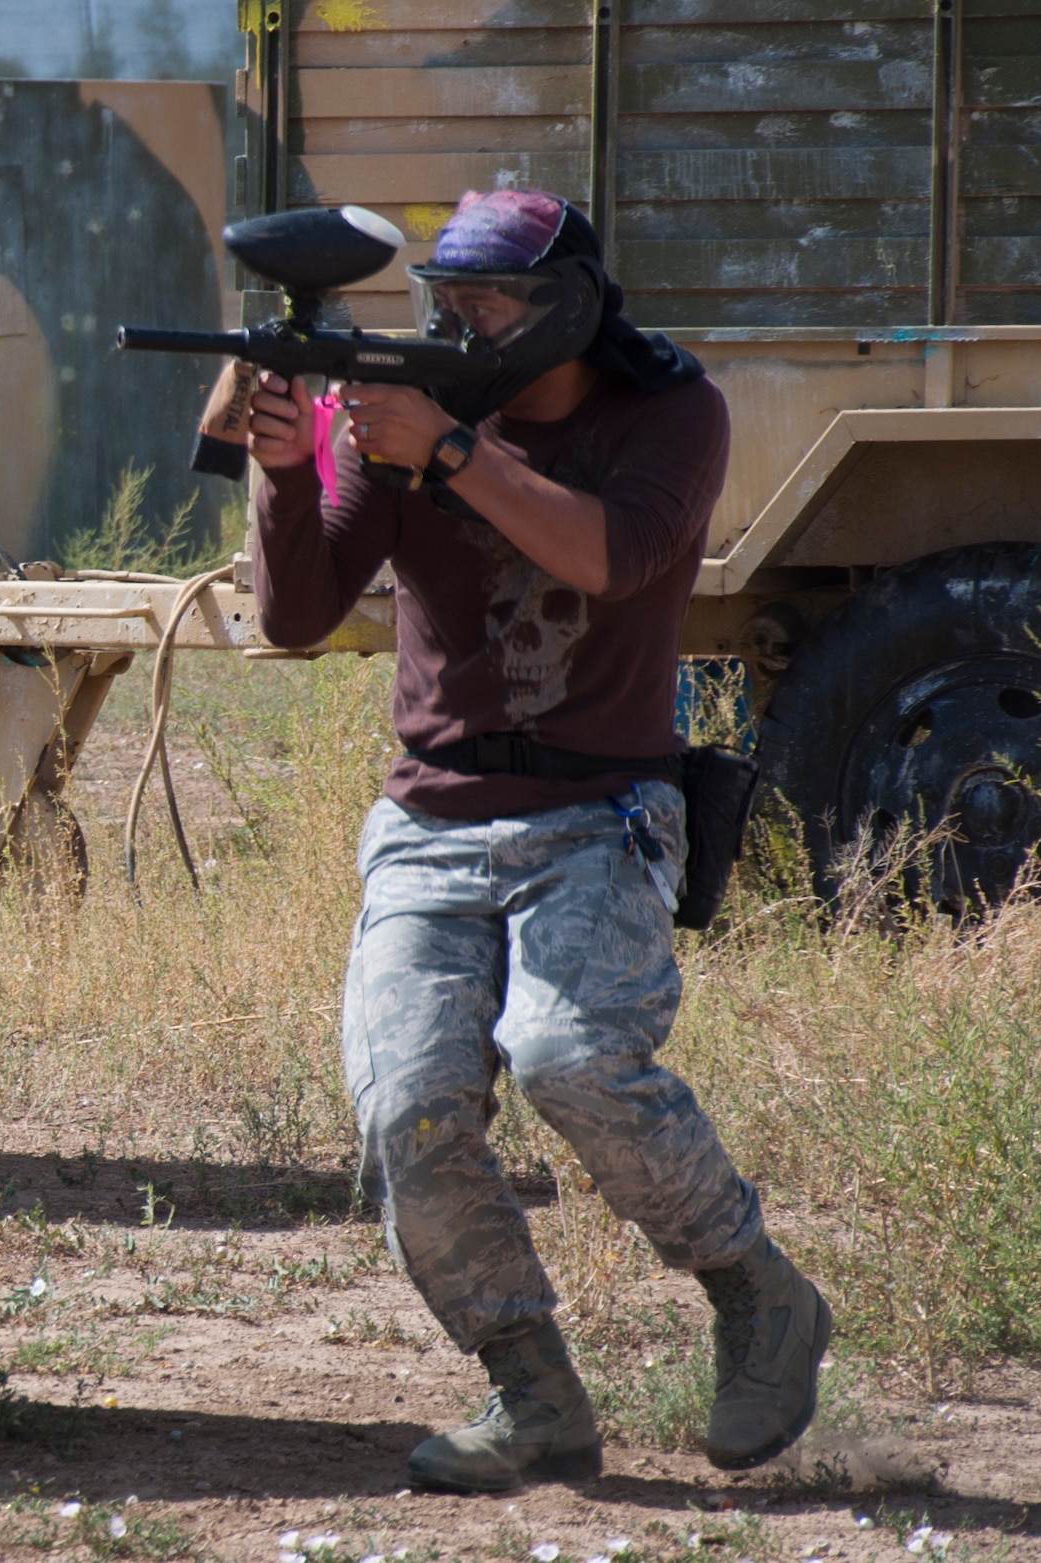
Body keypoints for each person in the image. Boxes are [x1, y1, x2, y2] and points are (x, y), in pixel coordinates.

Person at [245, 189, 830, 1495]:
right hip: (429, 818)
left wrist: (450, 453)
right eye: (449, 297)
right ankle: (530, 1389)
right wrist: (284, 465)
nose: (462, 322)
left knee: (571, 1054)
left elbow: (611, 556)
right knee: (406, 1104)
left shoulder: (671, 410)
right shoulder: (407, 403)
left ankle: (760, 1293)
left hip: (602, 809)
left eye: (491, 303)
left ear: (565, 301)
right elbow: (294, 613)